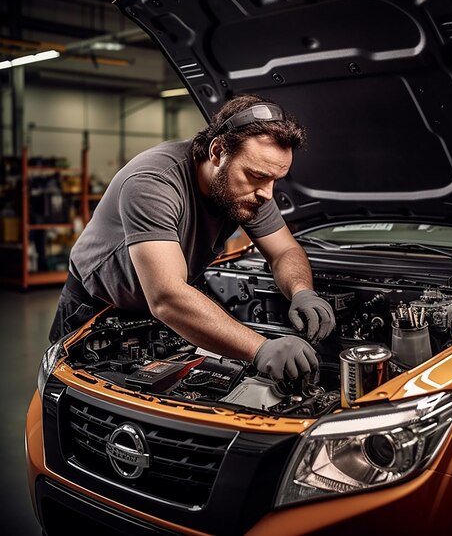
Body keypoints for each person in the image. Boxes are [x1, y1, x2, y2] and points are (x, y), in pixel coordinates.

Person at [49, 93, 335, 382]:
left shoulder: (249, 191)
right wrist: (260, 348)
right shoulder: (153, 182)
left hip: (166, 311)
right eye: (256, 176)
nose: (267, 193)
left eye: (275, 180)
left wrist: (301, 291)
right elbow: (167, 297)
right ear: (218, 151)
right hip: (96, 313)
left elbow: (284, 250)